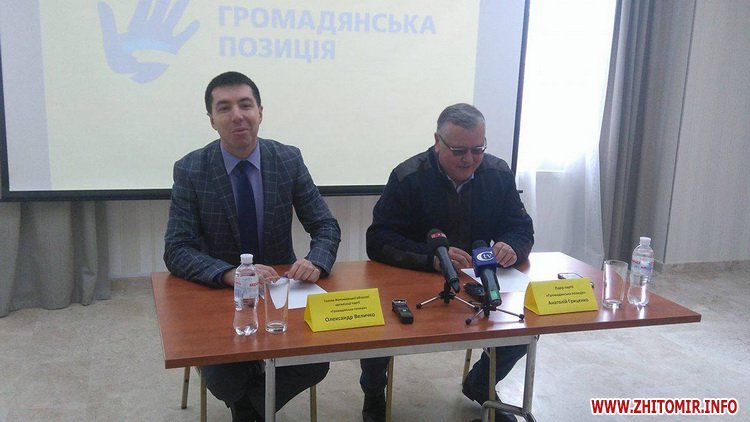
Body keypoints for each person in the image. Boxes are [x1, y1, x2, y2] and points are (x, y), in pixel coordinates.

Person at [164, 71, 341, 421]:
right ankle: (252, 402)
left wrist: (316, 261)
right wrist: (229, 273)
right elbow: (177, 248)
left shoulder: (287, 159)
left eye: (245, 105)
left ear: (260, 111)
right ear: (212, 119)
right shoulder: (191, 169)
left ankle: (248, 408)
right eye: (224, 108)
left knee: (316, 361)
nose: (237, 116)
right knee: (224, 376)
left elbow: (325, 225)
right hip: (221, 295)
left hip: (280, 292)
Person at [360, 103, 534, 422]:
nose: (469, 159)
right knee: (376, 326)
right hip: (417, 277)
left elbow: (521, 227)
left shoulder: (497, 173)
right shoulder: (407, 176)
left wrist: (512, 246)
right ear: (437, 142)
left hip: (478, 279)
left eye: (477, 149)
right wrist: (432, 259)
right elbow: (379, 240)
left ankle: (480, 383)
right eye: (459, 150)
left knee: (527, 324)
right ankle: (373, 394)